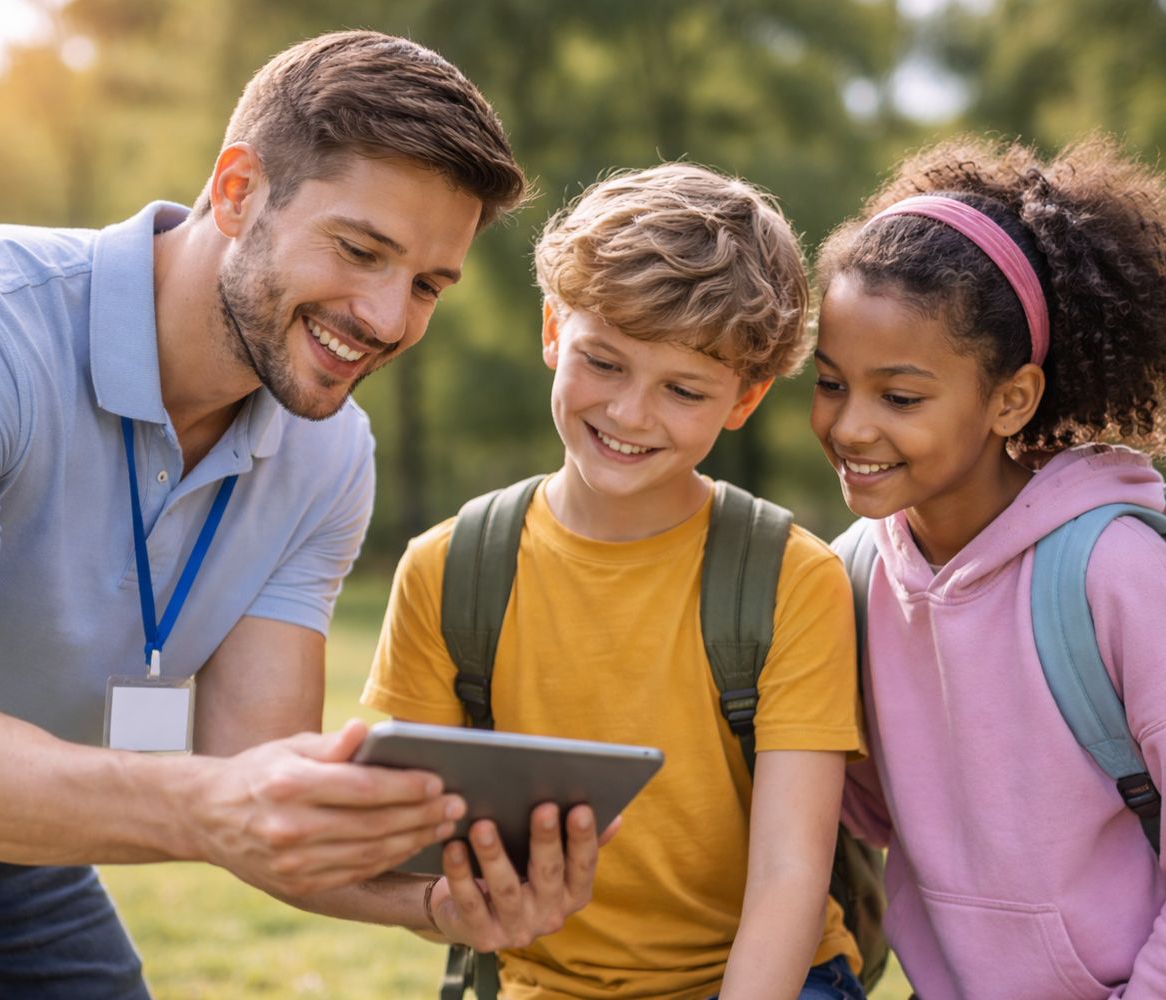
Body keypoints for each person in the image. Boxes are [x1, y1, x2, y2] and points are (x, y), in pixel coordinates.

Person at [0, 30, 604, 998]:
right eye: (359, 249)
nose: (386, 319)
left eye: (426, 285)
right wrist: (207, 801)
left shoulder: (330, 455)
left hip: (15, 845)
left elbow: (254, 778)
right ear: (239, 188)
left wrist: (432, 903)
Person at [363, 163, 867, 1000]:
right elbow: (408, 851)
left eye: (683, 389)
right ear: (554, 329)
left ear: (742, 401)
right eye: (604, 362)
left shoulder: (790, 579)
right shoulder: (449, 570)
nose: (630, 415)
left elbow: (789, 873)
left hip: (764, 977)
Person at [811, 134, 1166, 998]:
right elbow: (869, 812)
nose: (849, 427)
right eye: (830, 382)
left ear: (1010, 398)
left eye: (900, 396)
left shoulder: (1118, 575)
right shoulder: (852, 577)